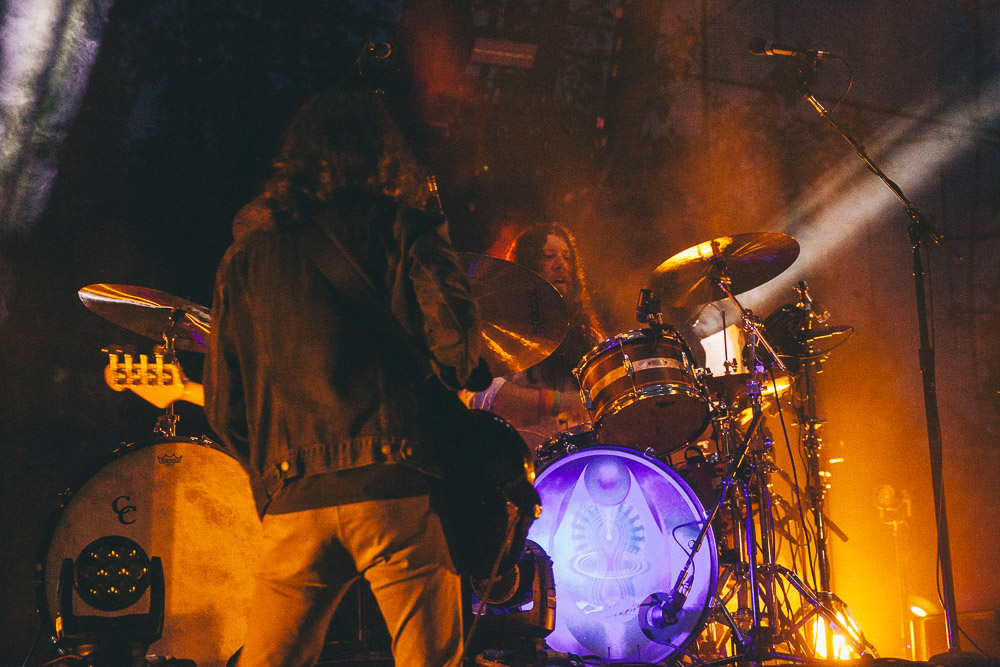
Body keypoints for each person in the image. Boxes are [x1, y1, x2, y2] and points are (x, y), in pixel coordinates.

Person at [204, 88, 491, 667]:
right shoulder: (404, 229)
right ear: (384, 157)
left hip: (294, 494)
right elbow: (461, 355)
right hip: (396, 488)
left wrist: (279, 473)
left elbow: (224, 409)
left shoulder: (244, 258)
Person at [465, 223, 605, 448]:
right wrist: (561, 402)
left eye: (567, 257)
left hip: (576, 462)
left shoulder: (588, 339)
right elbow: (488, 395)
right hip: (514, 459)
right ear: (525, 268)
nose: (561, 265)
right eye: (549, 256)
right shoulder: (498, 331)